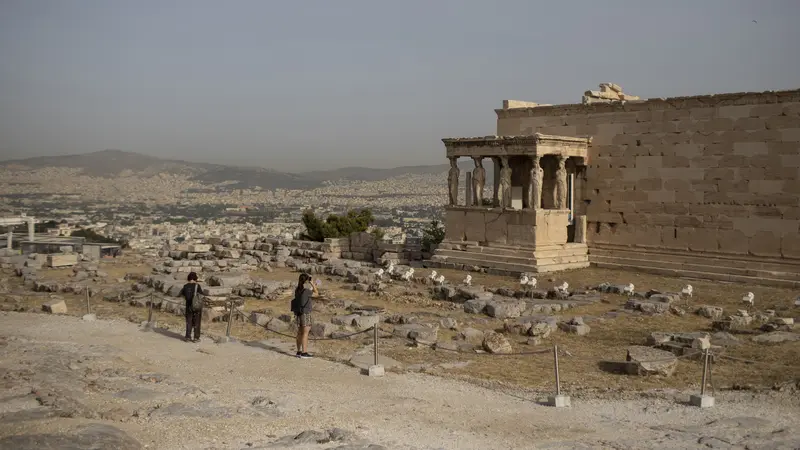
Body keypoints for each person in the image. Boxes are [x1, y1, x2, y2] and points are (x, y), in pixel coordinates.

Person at [291, 273, 318, 359]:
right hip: (305, 313)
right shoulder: (306, 291)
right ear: (307, 281)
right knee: (305, 333)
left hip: (298, 313)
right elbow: (316, 294)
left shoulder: (298, 290)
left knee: (299, 332)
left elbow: (304, 296)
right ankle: (304, 352)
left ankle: (298, 351)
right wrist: (313, 284)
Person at [179, 272, 202, 343]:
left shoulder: (185, 286)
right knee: (197, 322)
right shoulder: (197, 286)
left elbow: (182, 295)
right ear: (195, 278)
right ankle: (196, 338)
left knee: (189, 322)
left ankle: (188, 337)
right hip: (196, 307)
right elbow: (201, 295)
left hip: (188, 307)